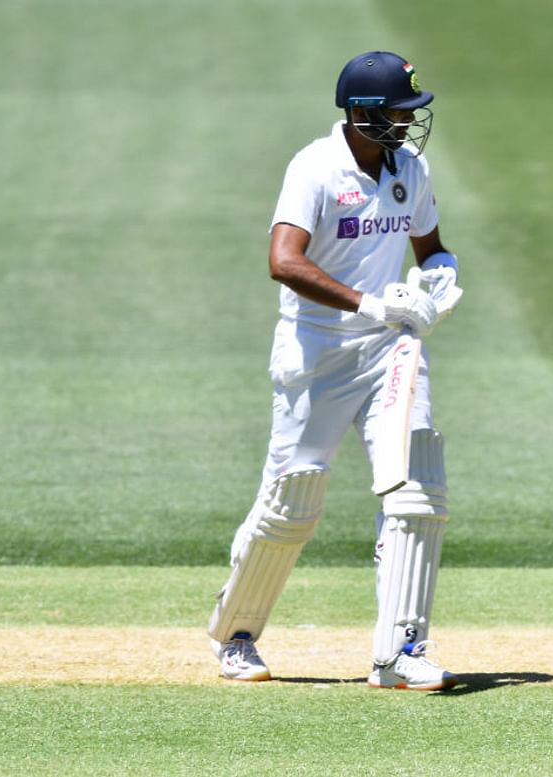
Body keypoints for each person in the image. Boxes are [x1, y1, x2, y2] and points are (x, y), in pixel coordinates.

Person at [207, 50, 464, 691]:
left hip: (392, 354)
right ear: (360, 113)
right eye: (398, 112)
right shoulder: (315, 168)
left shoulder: (413, 168)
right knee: (293, 500)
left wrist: (439, 280)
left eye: (411, 111)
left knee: (416, 493)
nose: (408, 122)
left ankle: (401, 652)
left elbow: (431, 246)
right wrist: (371, 302)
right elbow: (284, 261)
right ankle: (236, 635)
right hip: (316, 356)